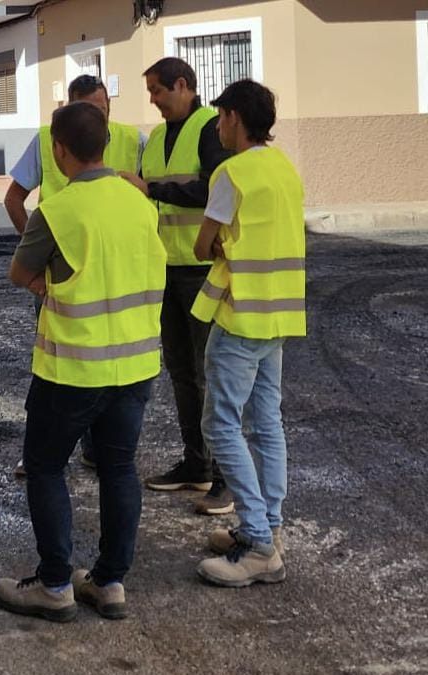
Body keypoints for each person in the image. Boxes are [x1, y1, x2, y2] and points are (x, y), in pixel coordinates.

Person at [0, 101, 166, 623]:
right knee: (118, 468)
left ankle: (54, 585)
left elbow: (20, 273)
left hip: (72, 369)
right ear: (106, 145)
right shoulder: (139, 203)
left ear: (60, 150)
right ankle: (110, 583)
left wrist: (53, 289)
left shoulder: (58, 211)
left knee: (45, 467)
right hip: (135, 365)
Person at [190, 79, 304, 587]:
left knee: (220, 427)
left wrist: (217, 247)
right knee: (267, 424)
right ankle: (268, 530)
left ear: (235, 117)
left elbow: (202, 244)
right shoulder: (284, 169)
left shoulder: (231, 173)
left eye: (221, 117)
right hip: (277, 317)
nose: (218, 126)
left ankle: (259, 545)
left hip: (239, 319)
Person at [3, 75, 146, 477]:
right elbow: (14, 198)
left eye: (102, 108)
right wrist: (39, 251)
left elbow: (150, 196)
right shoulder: (47, 140)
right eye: (88, 108)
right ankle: (55, 448)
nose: (97, 116)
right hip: (63, 277)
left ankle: (95, 449)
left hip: (117, 278)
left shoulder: (131, 140)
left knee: (109, 370)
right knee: (57, 368)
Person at [121, 57, 234, 516]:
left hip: (201, 269)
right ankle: (196, 463)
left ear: (182, 85)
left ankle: (226, 478)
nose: (152, 99)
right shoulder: (159, 137)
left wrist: (151, 190)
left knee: (212, 375)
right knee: (182, 373)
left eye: (157, 90)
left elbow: (215, 191)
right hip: (166, 268)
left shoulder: (210, 128)